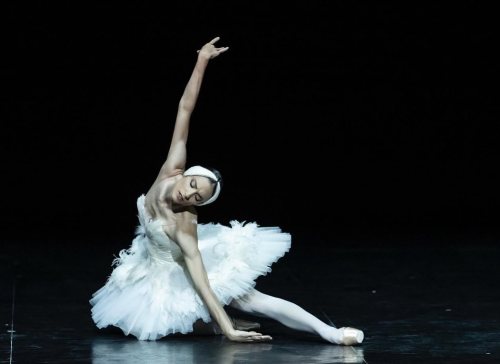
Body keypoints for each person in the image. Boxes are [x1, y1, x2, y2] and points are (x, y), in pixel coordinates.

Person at [89, 36, 364, 345]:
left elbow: (203, 283)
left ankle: (330, 333)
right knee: (147, 324)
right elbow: (185, 108)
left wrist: (229, 330)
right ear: (186, 175)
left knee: (250, 300)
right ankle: (223, 324)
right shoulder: (171, 169)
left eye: (198, 199)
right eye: (192, 186)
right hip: (155, 267)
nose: (189, 196)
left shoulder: (183, 226)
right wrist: (202, 60)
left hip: (189, 265)